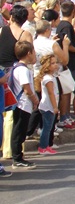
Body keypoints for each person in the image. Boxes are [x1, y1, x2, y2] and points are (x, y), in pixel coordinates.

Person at [10, 41, 39, 169]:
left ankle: (18, 157)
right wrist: (35, 100)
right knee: (19, 132)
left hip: (21, 104)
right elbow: (27, 89)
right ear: (28, 53)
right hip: (22, 104)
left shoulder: (18, 67)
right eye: (33, 52)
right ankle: (17, 158)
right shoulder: (23, 70)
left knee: (19, 131)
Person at [56, 0, 75, 129]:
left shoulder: (65, 24)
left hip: (69, 62)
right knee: (66, 91)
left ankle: (66, 115)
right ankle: (63, 116)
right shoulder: (66, 26)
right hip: (68, 62)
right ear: (73, 11)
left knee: (68, 90)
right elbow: (68, 44)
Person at [35, 54, 60, 155]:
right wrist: (55, 107)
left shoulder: (50, 77)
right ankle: (43, 147)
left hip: (49, 106)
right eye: (52, 63)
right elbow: (51, 93)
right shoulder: (48, 79)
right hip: (48, 106)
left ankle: (46, 146)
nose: (55, 65)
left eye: (55, 63)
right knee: (47, 128)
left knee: (49, 127)